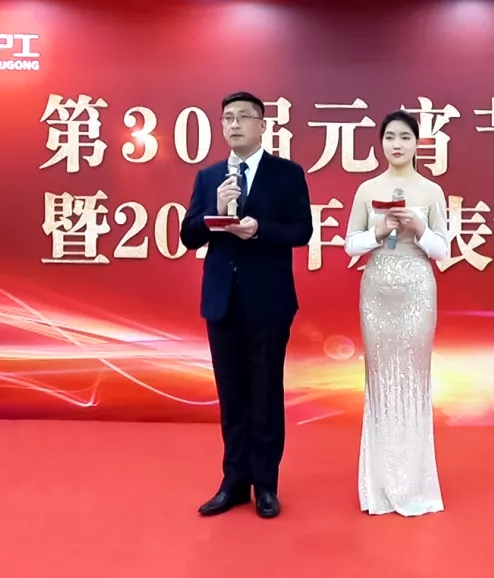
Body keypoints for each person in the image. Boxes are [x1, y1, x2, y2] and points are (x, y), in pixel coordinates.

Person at [180, 91, 313, 519]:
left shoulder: (286, 174)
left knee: (265, 393)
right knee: (232, 394)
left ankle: (266, 485)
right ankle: (234, 482)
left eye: (242, 117)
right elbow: (189, 235)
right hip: (222, 300)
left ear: (262, 125)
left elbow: (302, 231)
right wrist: (214, 211)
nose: (234, 124)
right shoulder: (209, 177)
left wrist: (259, 229)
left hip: (269, 300)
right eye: (227, 118)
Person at [343, 110, 449, 517]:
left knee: (412, 380)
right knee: (381, 380)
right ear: (381, 143)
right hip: (377, 288)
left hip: (417, 287)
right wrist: (379, 232)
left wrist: (420, 230)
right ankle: (380, 487)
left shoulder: (432, 191)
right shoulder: (367, 189)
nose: (397, 144)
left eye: (405, 137)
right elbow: (350, 244)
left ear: (417, 143)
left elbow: (443, 250)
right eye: (390, 137)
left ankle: (415, 485)